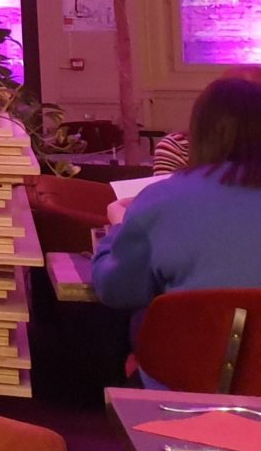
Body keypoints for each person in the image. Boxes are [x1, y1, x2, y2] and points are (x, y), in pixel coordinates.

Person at [90, 75, 261, 319]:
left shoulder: (162, 199)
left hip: (194, 341)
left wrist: (118, 227)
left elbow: (116, 289)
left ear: (199, 132)